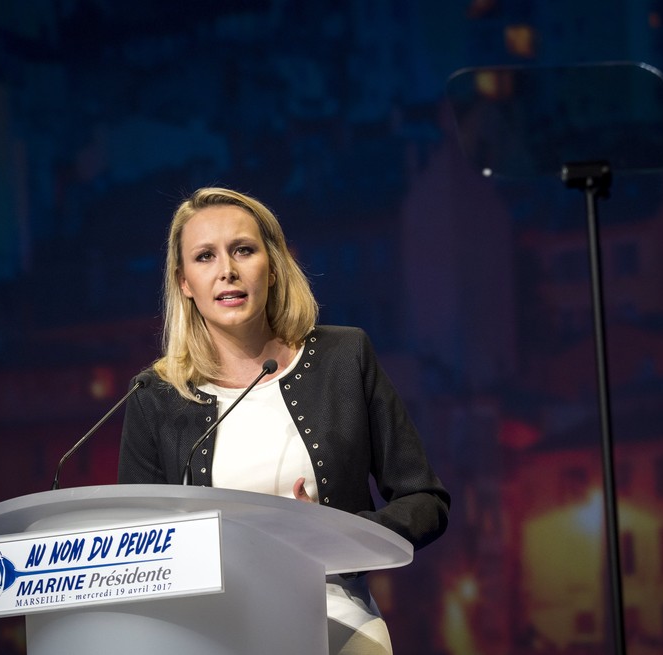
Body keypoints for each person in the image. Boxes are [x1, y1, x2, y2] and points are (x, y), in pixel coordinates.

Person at [118, 186, 450, 654]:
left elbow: (425, 499)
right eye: (205, 257)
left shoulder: (344, 357)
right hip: (208, 632)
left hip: (334, 619)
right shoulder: (156, 396)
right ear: (185, 282)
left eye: (243, 250)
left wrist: (341, 535)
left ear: (271, 267)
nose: (227, 271)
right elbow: (135, 549)